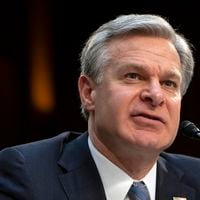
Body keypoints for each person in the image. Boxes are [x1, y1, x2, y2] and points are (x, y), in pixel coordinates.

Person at [0, 13, 200, 200]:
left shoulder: (196, 179)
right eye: (133, 76)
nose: (155, 95)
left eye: (168, 83)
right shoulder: (27, 173)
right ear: (88, 93)